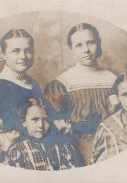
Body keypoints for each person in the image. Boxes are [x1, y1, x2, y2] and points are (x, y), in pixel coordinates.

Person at [43, 23, 117, 164]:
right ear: (71, 50)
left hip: (109, 145)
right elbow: (55, 124)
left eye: (91, 43)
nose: (86, 50)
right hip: (75, 149)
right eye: (79, 45)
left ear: (99, 43)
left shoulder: (112, 79)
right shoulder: (62, 83)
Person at [0, 29, 47, 135]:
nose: (23, 56)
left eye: (28, 50)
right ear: (4, 54)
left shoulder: (33, 83)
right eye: (16, 51)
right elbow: (3, 132)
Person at [5, 98, 84, 170]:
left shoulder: (65, 147)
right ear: (24, 122)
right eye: (35, 119)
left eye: (45, 119)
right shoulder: (17, 151)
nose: (41, 125)